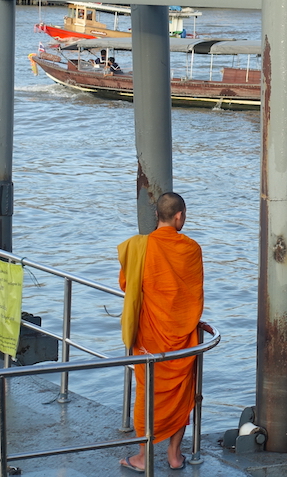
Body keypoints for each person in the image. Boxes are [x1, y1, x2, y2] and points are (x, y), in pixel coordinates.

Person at [117, 192, 204, 472]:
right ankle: (175, 455)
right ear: (179, 216)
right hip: (183, 334)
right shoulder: (192, 249)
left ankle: (143, 458)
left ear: (158, 215)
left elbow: (126, 284)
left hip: (150, 336)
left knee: (146, 392)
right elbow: (193, 296)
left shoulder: (140, 247)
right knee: (181, 393)